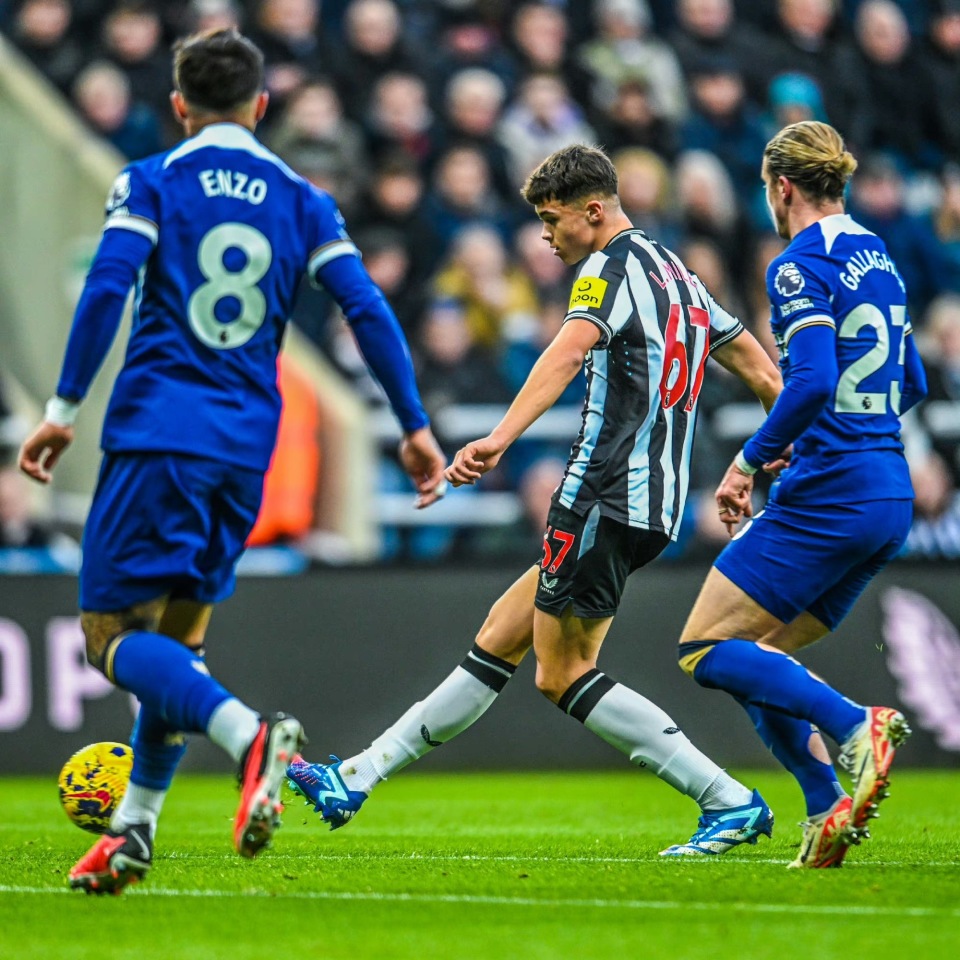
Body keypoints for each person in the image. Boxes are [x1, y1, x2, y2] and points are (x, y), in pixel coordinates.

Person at [18, 28, 445, 895]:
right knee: (179, 643)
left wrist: (60, 409)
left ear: (179, 105)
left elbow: (107, 285)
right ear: (261, 106)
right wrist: (411, 422)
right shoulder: (302, 198)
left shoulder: (151, 180)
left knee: (110, 637)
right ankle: (134, 830)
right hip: (247, 447)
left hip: (158, 433)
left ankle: (249, 737)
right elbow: (365, 307)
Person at [289, 143, 785, 858]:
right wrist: (767, 453)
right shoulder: (678, 272)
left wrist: (498, 438)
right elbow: (764, 374)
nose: (546, 237)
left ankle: (727, 799)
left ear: (594, 210)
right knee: (500, 634)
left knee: (562, 673)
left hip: (603, 494)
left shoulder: (606, 270)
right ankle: (356, 778)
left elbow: (566, 352)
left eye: (553, 220)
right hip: (653, 501)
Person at [675, 121, 928, 869]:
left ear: (780, 187)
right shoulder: (880, 258)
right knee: (758, 657)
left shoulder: (796, 265)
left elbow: (813, 378)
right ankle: (825, 809)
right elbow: (911, 381)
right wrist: (829, 434)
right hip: (887, 491)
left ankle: (853, 726)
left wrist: (749, 460)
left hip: (833, 490)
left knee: (704, 647)